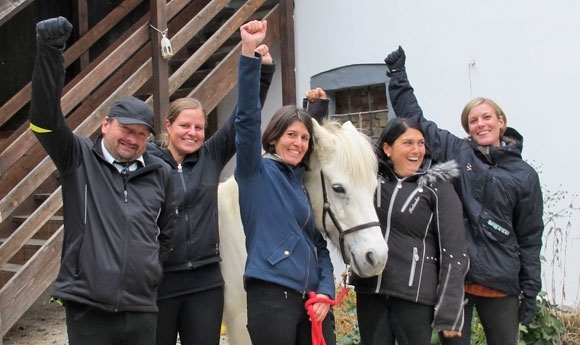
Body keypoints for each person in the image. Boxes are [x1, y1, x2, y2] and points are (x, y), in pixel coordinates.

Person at [30, 17, 176, 345]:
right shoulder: (77, 158)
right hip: (88, 307)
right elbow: (42, 121)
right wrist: (51, 52)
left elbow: (166, 236)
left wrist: (147, 272)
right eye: (126, 129)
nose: (133, 139)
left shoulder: (160, 173)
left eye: (141, 134)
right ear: (106, 124)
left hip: (141, 309)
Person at [384, 46, 544, 345]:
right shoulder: (457, 151)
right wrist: (397, 76)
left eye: (486, 118)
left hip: (500, 282)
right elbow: (415, 120)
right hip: (457, 282)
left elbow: (530, 235)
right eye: (474, 120)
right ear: (468, 128)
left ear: (500, 122)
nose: (481, 124)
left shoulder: (524, 175)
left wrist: (530, 287)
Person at [147, 45, 276, 345]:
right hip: (160, 281)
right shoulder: (149, 164)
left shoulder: (211, 155)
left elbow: (244, 117)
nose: (192, 132)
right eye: (184, 126)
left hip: (204, 283)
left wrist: (263, 71)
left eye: (199, 127)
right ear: (168, 126)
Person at [234, 20, 336, 345]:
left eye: (304, 138)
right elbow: (247, 119)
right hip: (272, 294)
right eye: (291, 135)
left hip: (312, 300)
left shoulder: (301, 184)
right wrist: (249, 54)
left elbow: (318, 246)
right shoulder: (255, 172)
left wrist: (325, 291)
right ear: (274, 137)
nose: (299, 142)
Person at [352, 117, 468, 345]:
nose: (417, 150)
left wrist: (450, 309)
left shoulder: (437, 186)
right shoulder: (370, 179)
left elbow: (454, 253)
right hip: (370, 291)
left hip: (414, 297)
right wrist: (317, 109)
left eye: (421, 143)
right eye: (408, 143)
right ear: (387, 148)